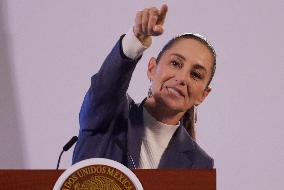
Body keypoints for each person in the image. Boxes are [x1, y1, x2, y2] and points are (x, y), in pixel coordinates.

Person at [72, 4, 216, 169]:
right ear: (152, 69)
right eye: (175, 63)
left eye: (196, 75)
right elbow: (106, 89)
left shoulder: (200, 163)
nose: (182, 78)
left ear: (203, 95)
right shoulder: (110, 114)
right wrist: (135, 39)